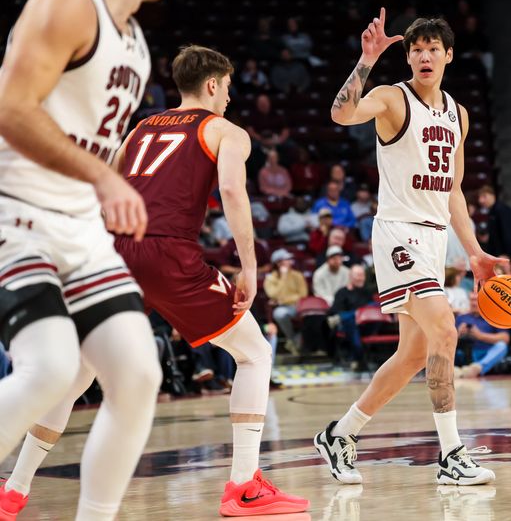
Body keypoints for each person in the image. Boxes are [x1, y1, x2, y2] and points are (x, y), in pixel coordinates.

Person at [2, 45, 309, 518]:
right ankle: (243, 486)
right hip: (168, 252)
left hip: (115, 248)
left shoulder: (142, 128)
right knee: (255, 353)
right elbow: (230, 190)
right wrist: (249, 266)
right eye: (227, 88)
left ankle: (13, 490)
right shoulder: (225, 130)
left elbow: (104, 181)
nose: (229, 97)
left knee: (76, 373)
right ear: (212, 85)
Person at [313, 9, 503, 486]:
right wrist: (366, 60)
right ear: (409, 56)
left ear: (448, 56)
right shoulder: (391, 98)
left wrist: (475, 252)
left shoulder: (457, 113)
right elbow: (340, 114)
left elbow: (454, 192)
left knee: (414, 354)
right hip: (399, 232)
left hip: (435, 238)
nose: (423, 56)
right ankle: (451, 455)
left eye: (433, 49)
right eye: (416, 49)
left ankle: (340, 433)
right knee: (446, 328)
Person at [0, 0, 164, 519]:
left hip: (80, 227)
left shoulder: (135, 42)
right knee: (49, 367)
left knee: (138, 375)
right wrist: (102, 179)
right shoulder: (67, 3)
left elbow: (90, 140)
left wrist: (112, 182)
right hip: (17, 209)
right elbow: (10, 107)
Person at [454, 293, 510, 378]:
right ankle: (457, 369)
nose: (473, 303)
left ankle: (478, 368)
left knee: (502, 346)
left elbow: (505, 338)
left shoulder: (494, 316)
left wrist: (480, 336)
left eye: (476, 300)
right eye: (471, 300)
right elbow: (448, 340)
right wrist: (458, 333)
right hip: (465, 352)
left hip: (487, 352)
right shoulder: (461, 318)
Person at [264, 248, 308, 356]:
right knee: (279, 313)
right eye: (286, 259)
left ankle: (301, 341)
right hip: (283, 308)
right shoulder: (270, 278)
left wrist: (283, 300)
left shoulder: (297, 275)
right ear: (278, 263)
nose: (290, 261)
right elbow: (273, 295)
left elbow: (303, 295)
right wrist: (283, 278)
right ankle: (292, 339)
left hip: (298, 306)